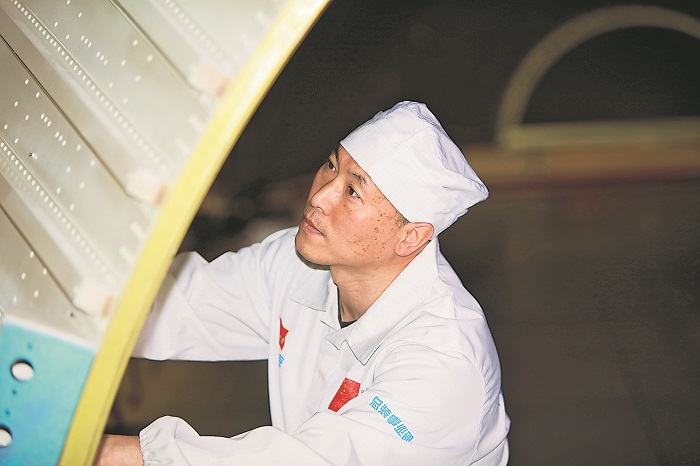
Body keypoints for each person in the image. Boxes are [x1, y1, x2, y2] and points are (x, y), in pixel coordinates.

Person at [97, 101, 510, 465]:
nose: (319, 196)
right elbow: (178, 306)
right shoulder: (298, 264)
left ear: (411, 237)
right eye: (331, 165)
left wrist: (123, 455)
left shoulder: (445, 363)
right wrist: (85, 309)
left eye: (353, 191)